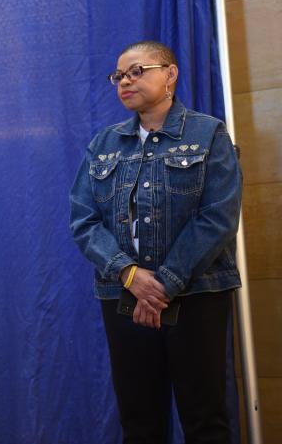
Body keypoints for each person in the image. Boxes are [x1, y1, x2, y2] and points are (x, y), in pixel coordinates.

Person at [69, 40, 242, 444]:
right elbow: (84, 220)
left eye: (137, 71)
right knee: (139, 421)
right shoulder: (103, 144)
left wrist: (162, 282)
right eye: (118, 76)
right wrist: (130, 275)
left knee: (206, 420)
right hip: (123, 296)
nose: (125, 81)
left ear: (170, 74)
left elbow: (217, 217)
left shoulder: (208, 133)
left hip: (198, 294)